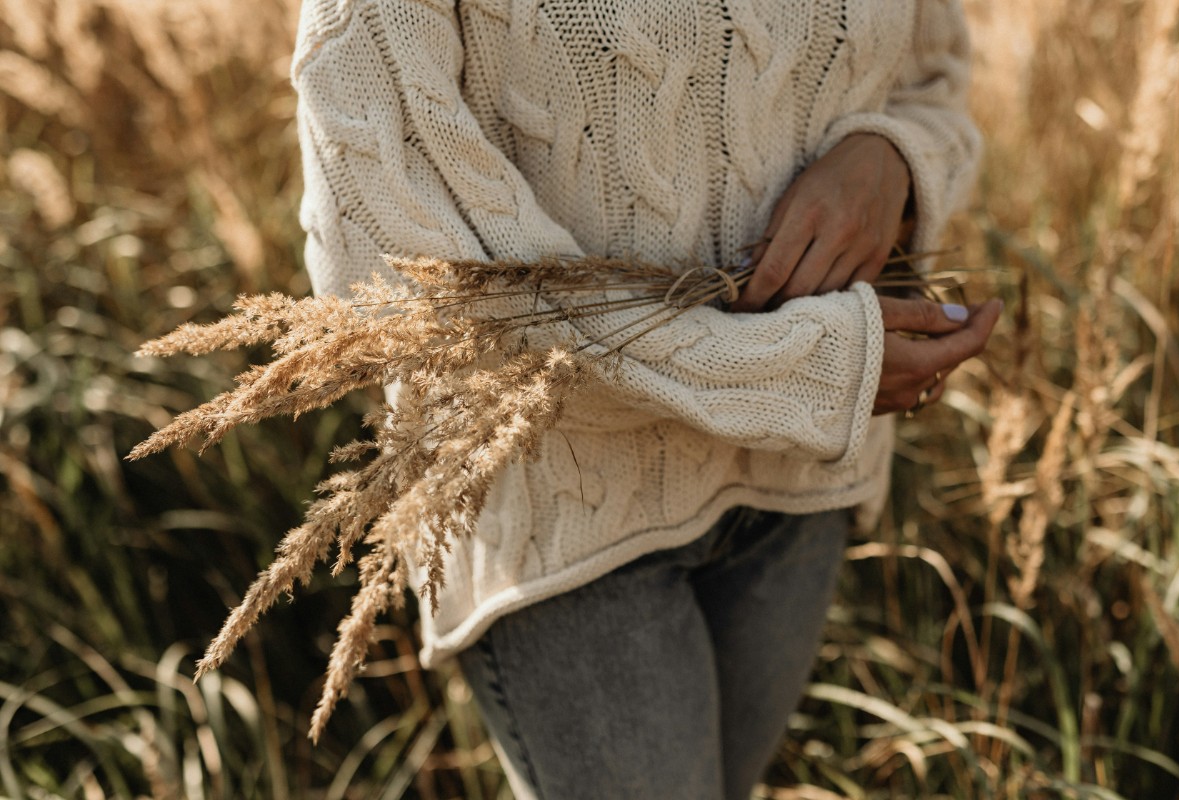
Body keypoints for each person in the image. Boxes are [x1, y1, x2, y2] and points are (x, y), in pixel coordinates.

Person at [291, 0, 1001, 797]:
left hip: (795, 479)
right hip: (570, 511)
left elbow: (933, 77)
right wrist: (790, 376)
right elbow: (409, 261)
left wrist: (891, 159)